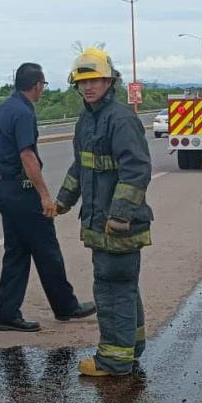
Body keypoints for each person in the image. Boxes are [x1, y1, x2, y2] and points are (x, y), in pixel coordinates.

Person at [54, 47, 153, 377]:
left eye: (96, 80)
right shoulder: (87, 120)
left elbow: (136, 170)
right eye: (83, 81)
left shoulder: (120, 119)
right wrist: (64, 200)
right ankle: (131, 347)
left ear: (110, 81)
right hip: (99, 225)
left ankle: (114, 360)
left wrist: (120, 213)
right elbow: (82, 165)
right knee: (122, 286)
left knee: (112, 290)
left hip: (119, 226)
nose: (89, 86)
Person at [0, 62, 96, 332]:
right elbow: (27, 155)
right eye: (44, 85)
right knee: (47, 250)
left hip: (6, 190)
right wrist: (45, 196)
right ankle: (66, 307)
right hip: (24, 192)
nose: (43, 90)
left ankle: (7, 314)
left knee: (16, 253)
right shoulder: (23, 113)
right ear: (37, 84)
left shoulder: (3, 109)